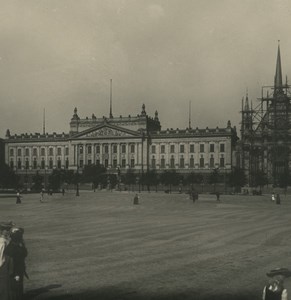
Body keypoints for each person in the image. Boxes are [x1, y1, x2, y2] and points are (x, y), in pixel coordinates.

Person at [4, 227, 28, 300]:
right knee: (16, 289)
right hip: (15, 271)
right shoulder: (14, 248)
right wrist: (15, 274)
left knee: (17, 288)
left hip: (17, 270)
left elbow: (25, 254)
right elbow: (12, 262)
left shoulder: (14, 246)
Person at [0, 222, 14, 300]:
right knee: (4, 288)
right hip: (3, 267)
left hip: (6, 266)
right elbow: (0, 257)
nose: (8, 231)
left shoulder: (6, 240)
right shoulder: (2, 242)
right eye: (6, 230)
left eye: (9, 229)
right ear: (2, 231)